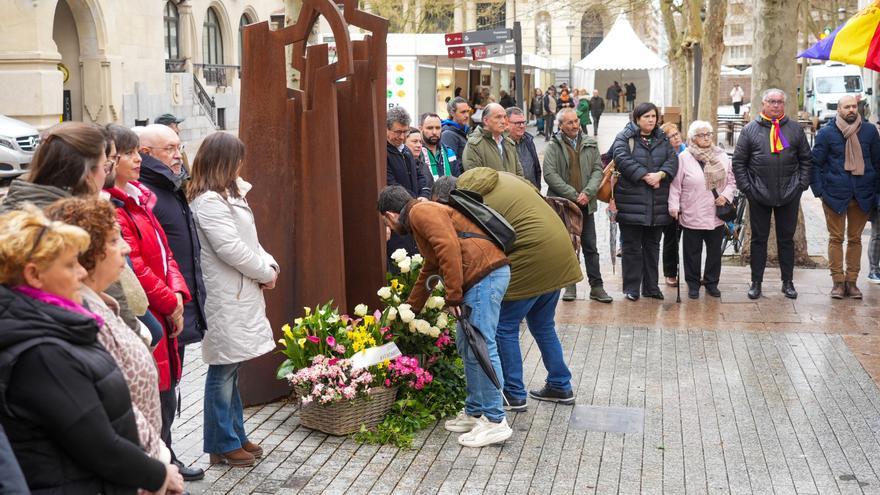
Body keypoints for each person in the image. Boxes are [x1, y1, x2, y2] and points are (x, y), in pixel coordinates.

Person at [0, 207, 184, 494]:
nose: (82, 272)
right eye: (70, 264)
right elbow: (97, 442)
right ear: (34, 275)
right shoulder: (41, 352)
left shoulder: (54, 325)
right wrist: (159, 475)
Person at [377, 185, 512, 448]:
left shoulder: (420, 212)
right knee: (467, 346)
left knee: (481, 346)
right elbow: (431, 266)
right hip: (480, 277)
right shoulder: (422, 215)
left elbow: (448, 247)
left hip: (485, 276)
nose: (390, 229)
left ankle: (496, 421)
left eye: (386, 222)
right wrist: (409, 311)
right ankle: (475, 413)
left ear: (391, 214)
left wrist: (453, 296)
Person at [45, 197, 172, 467]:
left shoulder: (100, 304)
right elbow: (103, 420)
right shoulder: (80, 317)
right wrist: (155, 468)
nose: (125, 248)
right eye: (114, 241)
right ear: (88, 254)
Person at [105, 133, 194, 478]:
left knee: (168, 392)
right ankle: (160, 465)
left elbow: (165, 253)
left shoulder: (141, 199)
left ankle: (167, 459)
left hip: (164, 306)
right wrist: (167, 300)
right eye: (127, 154)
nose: (136, 160)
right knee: (155, 395)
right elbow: (135, 265)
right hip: (148, 309)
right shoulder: (115, 206)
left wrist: (176, 296)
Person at [457, 167, 582, 412]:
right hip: (560, 253)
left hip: (531, 256)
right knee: (543, 324)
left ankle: (513, 393)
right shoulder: (508, 179)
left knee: (504, 325)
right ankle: (560, 384)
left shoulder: (472, 199)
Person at [189, 132, 278, 467]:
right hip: (226, 295)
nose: (242, 164)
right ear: (224, 162)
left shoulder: (228, 194)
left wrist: (269, 265)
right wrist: (264, 272)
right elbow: (231, 248)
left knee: (232, 367)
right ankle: (221, 442)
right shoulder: (209, 201)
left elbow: (249, 241)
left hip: (239, 290)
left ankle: (234, 434)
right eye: (237, 159)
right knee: (223, 368)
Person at [732, 88, 812, 300]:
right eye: (772, 102)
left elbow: (806, 159)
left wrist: (801, 185)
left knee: (787, 240)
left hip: (789, 194)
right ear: (763, 104)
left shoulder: (794, 129)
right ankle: (756, 283)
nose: (776, 105)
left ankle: (788, 283)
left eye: (779, 102)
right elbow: (739, 163)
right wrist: (748, 189)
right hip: (759, 194)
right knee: (759, 240)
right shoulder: (750, 130)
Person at [810, 95, 880, 299]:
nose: (851, 110)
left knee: (855, 239)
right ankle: (838, 282)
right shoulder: (826, 133)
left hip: (862, 195)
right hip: (834, 195)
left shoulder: (869, 132)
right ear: (838, 109)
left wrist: (876, 192)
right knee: (836, 238)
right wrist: (820, 192)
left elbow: (877, 162)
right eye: (847, 107)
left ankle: (852, 282)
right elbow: (816, 163)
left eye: (854, 106)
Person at [543, 108, 612, 304]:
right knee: (567, 246)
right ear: (561, 125)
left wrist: (587, 193)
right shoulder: (553, 146)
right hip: (563, 205)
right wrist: (574, 195)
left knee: (590, 246)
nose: (575, 125)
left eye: (576, 121)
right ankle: (569, 285)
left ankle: (596, 287)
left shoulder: (590, 143)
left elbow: (598, 170)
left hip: (586, 205)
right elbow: (549, 174)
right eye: (570, 122)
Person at [612, 102, 678, 301]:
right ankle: (631, 287)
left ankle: (651, 287)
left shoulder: (662, 137)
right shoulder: (625, 137)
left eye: (653, 116)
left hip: (656, 203)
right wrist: (644, 176)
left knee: (652, 246)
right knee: (631, 247)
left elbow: (672, 160)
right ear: (637, 118)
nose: (651, 120)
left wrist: (660, 174)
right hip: (631, 201)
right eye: (646, 116)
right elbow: (621, 158)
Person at [668, 121, 736, 299]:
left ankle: (712, 282)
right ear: (693, 138)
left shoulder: (722, 156)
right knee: (692, 252)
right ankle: (693, 284)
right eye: (701, 135)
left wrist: (726, 196)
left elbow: (731, 181)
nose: (706, 138)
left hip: (716, 213)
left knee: (714, 252)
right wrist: (674, 206)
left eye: (708, 134)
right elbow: (675, 186)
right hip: (692, 211)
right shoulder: (684, 158)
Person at [0, 122, 109, 215]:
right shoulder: (78, 227)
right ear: (87, 175)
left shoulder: (12, 205)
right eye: (105, 166)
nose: (106, 174)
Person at [387, 106, 428, 261]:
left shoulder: (406, 151)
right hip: (397, 217)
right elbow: (392, 185)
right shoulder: (383, 152)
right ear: (387, 128)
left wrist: (424, 195)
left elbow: (420, 175)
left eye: (405, 132)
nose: (402, 136)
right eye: (398, 132)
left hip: (412, 213)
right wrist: (416, 202)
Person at [463, 103, 524, 177]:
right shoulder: (474, 145)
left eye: (504, 117)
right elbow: (475, 179)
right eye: (498, 117)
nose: (503, 121)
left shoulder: (508, 142)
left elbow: (519, 174)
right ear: (486, 120)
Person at [660, 122, 686, 287]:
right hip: (668, 200)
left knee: (689, 239)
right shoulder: (664, 155)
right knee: (671, 237)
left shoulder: (689, 151)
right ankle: (670, 273)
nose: (676, 137)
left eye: (677, 134)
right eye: (672, 136)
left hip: (688, 200)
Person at [419, 113, 462, 184]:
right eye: (430, 128)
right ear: (421, 129)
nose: (434, 132)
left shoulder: (449, 152)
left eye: (438, 128)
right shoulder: (416, 153)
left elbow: (457, 181)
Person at [506, 107, 542, 189]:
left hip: (532, 191)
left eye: (523, 122)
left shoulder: (528, 140)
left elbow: (536, 169)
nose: (522, 126)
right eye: (518, 123)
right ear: (506, 124)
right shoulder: (502, 144)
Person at [441, 96, 472, 162]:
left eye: (468, 111)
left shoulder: (466, 131)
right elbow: (451, 164)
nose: (467, 115)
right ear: (452, 113)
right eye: (463, 112)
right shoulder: (448, 135)